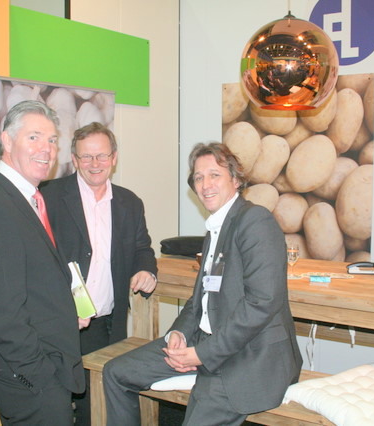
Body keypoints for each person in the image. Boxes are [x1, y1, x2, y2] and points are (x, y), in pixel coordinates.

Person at [102, 142, 302, 426]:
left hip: (249, 355)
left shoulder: (255, 221)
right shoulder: (216, 228)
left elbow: (261, 304)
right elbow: (202, 298)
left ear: (235, 179)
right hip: (204, 342)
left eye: (214, 175)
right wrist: (180, 333)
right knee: (116, 373)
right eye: (198, 177)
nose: (205, 185)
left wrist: (201, 354)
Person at [0, 100, 85, 425]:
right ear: (6, 140)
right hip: (30, 378)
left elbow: (32, 283)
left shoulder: (25, 198)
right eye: (34, 137)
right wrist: (40, 376)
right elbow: (3, 313)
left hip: (41, 369)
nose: (47, 149)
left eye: (52, 140)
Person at [40, 122, 157, 425]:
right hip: (60, 324)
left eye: (102, 156)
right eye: (87, 157)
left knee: (99, 407)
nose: (95, 164)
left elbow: (142, 247)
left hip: (107, 324)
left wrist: (146, 269)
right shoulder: (48, 197)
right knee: (56, 406)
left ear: (114, 158)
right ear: (74, 159)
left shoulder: (129, 202)